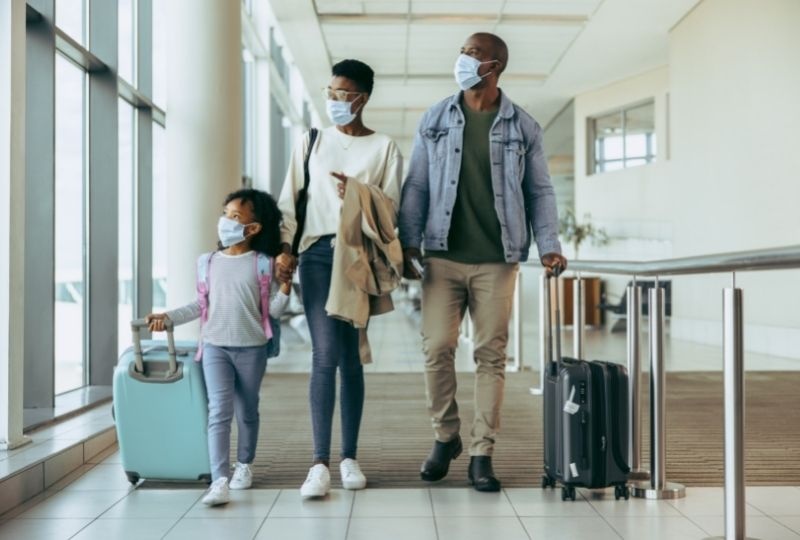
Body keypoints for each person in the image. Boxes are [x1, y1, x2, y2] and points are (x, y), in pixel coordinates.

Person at [398, 32, 568, 492]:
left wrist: (549, 242)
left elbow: (540, 191)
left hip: (498, 259)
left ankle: (481, 451)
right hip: (442, 257)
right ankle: (445, 436)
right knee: (436, 349)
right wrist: (408, 243)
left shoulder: (522, 126)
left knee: (491, 356)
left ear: (495, 66)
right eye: (462, 51)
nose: (463, 58)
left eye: (473, 53)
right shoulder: (435, 118)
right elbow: (416, 185)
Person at [275, 59, 403, 498]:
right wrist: (284, 250)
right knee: (324, 353)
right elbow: (289, 201)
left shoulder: (384, 147)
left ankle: (349, 457)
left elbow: (392, 213)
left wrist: (360, 197)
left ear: (361, 98)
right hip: (315, 256)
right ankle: (319, 464)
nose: (332, 101)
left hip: (358, 258)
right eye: (329, 93)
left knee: (350, 357)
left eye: (341, 94)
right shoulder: (311, 140)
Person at [146, 188, 291, 506]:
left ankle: (245, 465)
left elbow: (275, 312)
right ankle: (220, 479)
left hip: (252, 348)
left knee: (247, 410)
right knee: (219, 412)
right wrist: (167, 317)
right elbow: (198, 306)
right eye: (225, 213)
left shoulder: (263, 265)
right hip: (214, 348)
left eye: (235, 216)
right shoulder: (207, 262)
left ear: (253, 228)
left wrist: (287, 287)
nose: (225, 221)